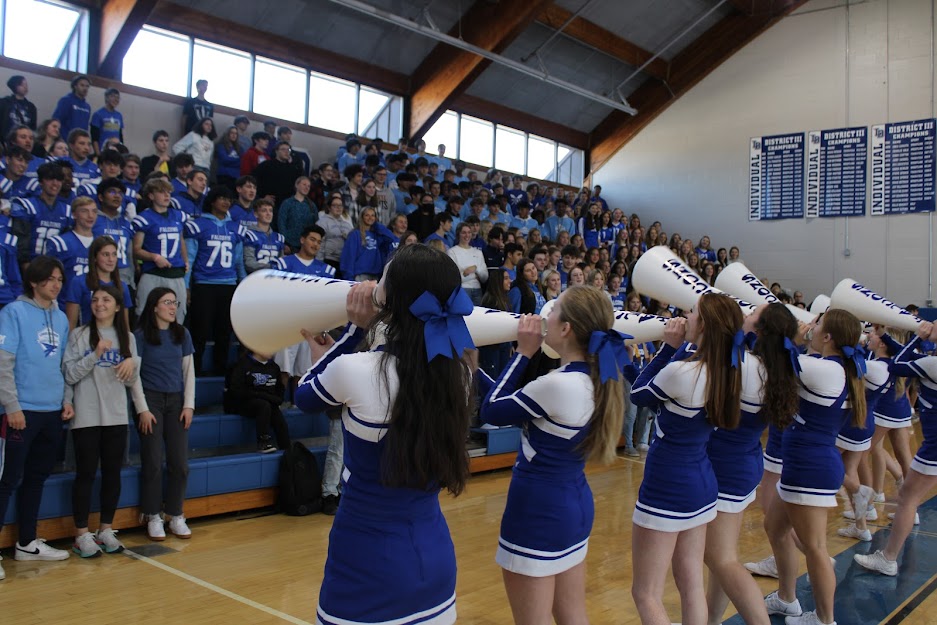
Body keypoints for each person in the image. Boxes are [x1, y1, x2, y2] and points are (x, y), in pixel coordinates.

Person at [294, 245, 472, 625]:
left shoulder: (353, 369)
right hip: (435, 564)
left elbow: (304, 394)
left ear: (389, 297)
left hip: (365, 566)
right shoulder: (458, 374)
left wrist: (352, 332)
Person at [478, 286, 624, 625]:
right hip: (572, 506)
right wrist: (473, 369)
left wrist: (523, 352)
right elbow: (510, 402)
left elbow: (492, 411)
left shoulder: (557, 384)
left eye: (554, 309)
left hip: (538, 512)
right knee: (572, 615)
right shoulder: (595, 379)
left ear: (566, 328)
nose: (546, 314)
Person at [629, 293, 743, 625]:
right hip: (702, 483)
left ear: (704, 325)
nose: (686, 317)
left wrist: (667, 347)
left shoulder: (682, 371)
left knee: (646, 592)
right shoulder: (727, 369)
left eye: (692, 313)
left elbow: (639, 393)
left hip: (667, 485)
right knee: (690, 582)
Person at [764, 309, 867, 625]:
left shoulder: (827, 370)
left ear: (828, 337)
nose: (812, 326)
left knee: (816, 549)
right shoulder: (833, 368)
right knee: (775, 528)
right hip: (807, 465)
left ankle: (825, 619)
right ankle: (786, 598)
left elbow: (774, 364)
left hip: (810, 469)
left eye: (818, 325)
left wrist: (792, 337)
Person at [704, 303, 801, 625]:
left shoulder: (744, 367)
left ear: (758, 332)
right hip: (742, 464)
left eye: (750, 315)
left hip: (726, 468)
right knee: (723, 557)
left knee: (722, 560)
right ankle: (712, 620)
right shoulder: (771, 367)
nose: (743, 315)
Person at [0, 256, 74, 577]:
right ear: (34, 281)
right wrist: (11, 406)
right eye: (50, 279)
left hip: (52, 412)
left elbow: (63, 366)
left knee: (35, 480)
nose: (56, 284)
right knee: (6, 481)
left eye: (60, 279)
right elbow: (3, 362)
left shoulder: (60, 319)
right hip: (21, 412)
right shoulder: (13, 312)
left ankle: (26, 543)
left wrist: (67, 400)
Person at [63, 284, 142, 557]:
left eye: (106, 299)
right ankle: (81, 534)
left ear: (118, 306)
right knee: (85, 474)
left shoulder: (128, 338)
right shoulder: (79, 335)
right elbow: (70, 375)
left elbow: (131, 381)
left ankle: (105, 529)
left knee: (112, 474)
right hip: (86, 415)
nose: (99, 304)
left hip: (117, 416)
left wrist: (133, 365)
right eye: (95, 299)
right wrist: (94, 355)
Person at [855, 320, 937, 576]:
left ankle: (888, 558)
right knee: (908, 496)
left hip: (934, 447)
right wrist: (885, 337)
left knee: (907, 498)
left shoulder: (933, 364)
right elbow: (909, 356)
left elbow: (897, 365)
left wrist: (917, 336)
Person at [134, 287, 195, 541]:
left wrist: (189, 404)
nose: (172, 307)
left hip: (176, 401)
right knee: (152, 461)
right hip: (152, 401)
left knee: (180, 464)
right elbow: (134, 376)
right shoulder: (140, 336)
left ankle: (175, 513)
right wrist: (143, 409)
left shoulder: (182, 334)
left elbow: (188, 371)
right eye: (167, 302)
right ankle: (153, 515)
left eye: (175, 302)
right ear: (154, 306)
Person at [184, 186, 254, 376]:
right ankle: (195, 371)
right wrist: (186, 286)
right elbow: (190, 258)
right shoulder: (198, 225)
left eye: (228, 199)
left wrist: (244, 284)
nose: (225, 202)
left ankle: (220, 370)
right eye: (221, 197)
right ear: (212, 201)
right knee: (200, 330)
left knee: (224, 331)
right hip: (204, 283)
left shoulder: (236, 228)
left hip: (228, 284)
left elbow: (238, 261)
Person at [132, 178, 189, 323]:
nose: (166, 195)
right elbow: (136, 250)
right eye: (161, 192)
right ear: (151, 196)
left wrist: (185, 260)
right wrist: (154, 257)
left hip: (176, 274)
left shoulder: (178, 215)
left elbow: (181, 239)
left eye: (168, 192)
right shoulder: (144, 218)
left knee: (177, 318)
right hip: (153, 274)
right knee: (146, 316)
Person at [225, 350, 289, 453]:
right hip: (244, 403)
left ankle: (287, 448)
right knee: (264, 405)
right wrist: (262, 395)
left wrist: (269, 398)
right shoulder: (243, 364)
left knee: (275, 412)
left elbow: (279, 393)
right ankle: (263, 441)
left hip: (267, 403)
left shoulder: (274, 367)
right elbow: (236, 391)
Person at [65, 235, 133, 328]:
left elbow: (125, 325)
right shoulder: (79, 282)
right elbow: (70, 324)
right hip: (86, 337)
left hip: (114, 338)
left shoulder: (122, 286)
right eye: (106, 254)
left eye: (114, 254)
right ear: (95, 257)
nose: (111, 259)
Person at [11, 161, 72, 262]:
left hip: (54, 268)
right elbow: (21, 242)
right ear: (41, 182)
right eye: (50, 179)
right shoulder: (27, 206)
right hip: (29, 265)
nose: (55, 183)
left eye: (58, 180)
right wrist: (25, 265)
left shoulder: (66, 210)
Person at [339, 207, 395, 281]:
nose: (370, 218)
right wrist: (349, 277)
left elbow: (391, 238)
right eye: (367, 215)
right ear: (362, 217)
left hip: (375, 276)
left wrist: (376, 225)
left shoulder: (377, 235)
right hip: (360, 275)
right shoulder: (355, 234)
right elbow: (349, 256)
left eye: (373, 215)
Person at [447, 223, 488, 306]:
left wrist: (475, 269)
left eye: (469, 232)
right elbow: (454, 278)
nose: (467, 235)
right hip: (462, 290)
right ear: (458, 234)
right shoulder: (452, 252)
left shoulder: (478, 253)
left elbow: (485, 277)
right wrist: (475, 275)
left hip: (477, 290)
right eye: (464, 232)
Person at [277, 176, 318, 253]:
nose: (307, 187)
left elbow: (316, 224)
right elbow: (281, 223)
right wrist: (285, 242)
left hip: (306, 245)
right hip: (290, 245)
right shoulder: (287, 203)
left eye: (308, 186)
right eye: (304, 184)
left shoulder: (312, 206)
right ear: (296, 185)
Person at [244, 198, 284, 273]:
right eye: (264, 210)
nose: (268, 213)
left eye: (270, 211)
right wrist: (271, 266)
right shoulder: (250, 235)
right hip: (255, 279)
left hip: (274, 279)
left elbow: (281, 263)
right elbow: (249, 263)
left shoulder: (279, 238)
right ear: (256, 214)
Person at [318, 193, 354, 272]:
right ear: (329, 207)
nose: (338, 208)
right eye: (335, 205)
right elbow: (319, 243)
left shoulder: (347, 225)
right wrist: (319, 262)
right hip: (328, 260)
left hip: (344, 262)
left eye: (340, 205)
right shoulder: (322, 222)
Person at [52, 75, 92, 141]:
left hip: (80, 143)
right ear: (75, 86)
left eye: (87, 86)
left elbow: (85, 127)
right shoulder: (66, 100)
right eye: (82, 85)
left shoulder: (87, 106)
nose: (85, 88)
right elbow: (56, 120)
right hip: (66, 140)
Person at [90, 89, 124, 156]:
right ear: (106, 97)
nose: (115, 99)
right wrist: (98, 154)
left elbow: (120, 135)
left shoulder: (119, 115)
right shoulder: (98, 114)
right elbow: (94, 137)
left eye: (117, 97)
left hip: (116, 152)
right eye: (113, 96)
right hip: (103, 151)